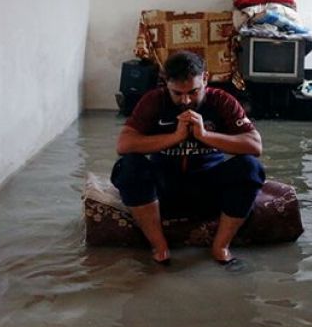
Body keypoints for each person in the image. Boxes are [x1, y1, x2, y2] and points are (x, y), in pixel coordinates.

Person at [111, 51, 265, 265]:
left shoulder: (222, 101)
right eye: (177, 93)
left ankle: (221, 245)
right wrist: (175, 137)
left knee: (250, 167)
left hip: (209, 188)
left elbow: (255, 145)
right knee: (127, 166)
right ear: (166, 83)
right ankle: (159, 244)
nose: (186, 100)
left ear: (205, 78)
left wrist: (204, 135)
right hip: (165, 189)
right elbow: (124, 144)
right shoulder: (154, 100)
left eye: (193, 92)